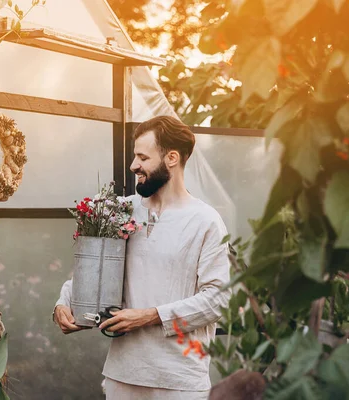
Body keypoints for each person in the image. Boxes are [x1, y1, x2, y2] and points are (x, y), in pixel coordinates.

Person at [53, 116, 232, 399]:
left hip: (180, 381)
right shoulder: (118, 210)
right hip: (122, 376)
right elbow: (92, 269)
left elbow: (218, 299)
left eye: (142, 157)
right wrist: (64, 303)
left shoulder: (205, 221)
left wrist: (150, 316)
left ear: (171, 158)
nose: (133, 165)